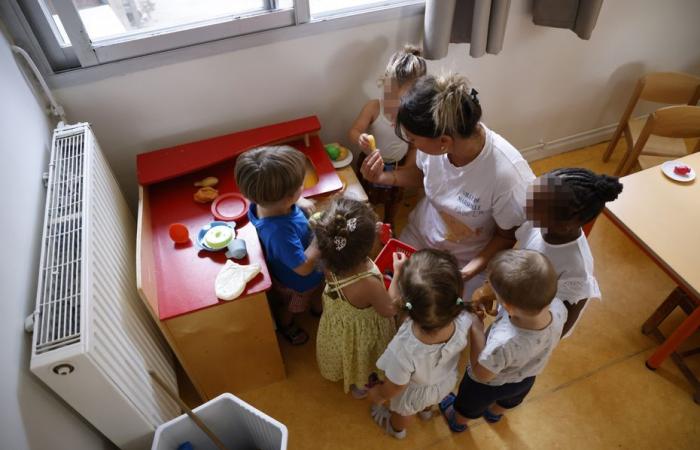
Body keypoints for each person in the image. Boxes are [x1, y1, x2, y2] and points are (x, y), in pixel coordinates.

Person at [360, 73, 535, 299]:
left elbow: (506, 237)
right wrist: (383, 178)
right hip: (421, 234)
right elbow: (421, 174)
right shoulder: (435, 146)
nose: (412, 145)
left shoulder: (507, 177)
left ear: (444, 142)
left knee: (439, 318)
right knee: (389, 291)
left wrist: (467, 272)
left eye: (413, 140)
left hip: (467, 261)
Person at [439, 249, 567, 432]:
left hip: (490, 384)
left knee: (469, 404)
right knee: (509, 400)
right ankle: (495, 413)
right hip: (526, 376)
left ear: (507, 307)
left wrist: (476, 329)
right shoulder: (558, 307)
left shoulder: (504, 343)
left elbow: (481, 374)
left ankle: (458, 420)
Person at [367, 249, 475, 439]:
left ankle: (397, 429)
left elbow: (396, 386)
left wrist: (380, 394)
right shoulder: (464, 319)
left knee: (403, 414)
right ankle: (426, 411)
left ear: (404, 302)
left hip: (413, 392)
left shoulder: (403, 349)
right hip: (444, 381)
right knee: (427, 401)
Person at [518, 168, 622, 336]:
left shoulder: (576, 266)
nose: (525, 205)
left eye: (534, 205)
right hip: (517, 304)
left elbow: (566, 319)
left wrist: (540, 343)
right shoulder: (539, 224)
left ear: (565, 224)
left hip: (534, 330)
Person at [235, 145, 323, 345]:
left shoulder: (263, 202)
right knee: (292, 307)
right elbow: (302, 268)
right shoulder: (279, 232)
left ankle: (318, 308)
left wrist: (297, 202)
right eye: (300, 186)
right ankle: (286, 325)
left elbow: (278, 201)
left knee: (316, 291)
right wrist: (318, 240)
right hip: (298, 283)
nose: (303, 188)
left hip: (305, 272)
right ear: (287, 197)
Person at [312, 197, 397, 398]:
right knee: (362, 358)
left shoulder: (330, 257)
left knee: (346, 353)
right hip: (363, 333)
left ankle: (352, 378)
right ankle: (362, 384)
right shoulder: (368, 283)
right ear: (368, 247)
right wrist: (399, 273)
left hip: (339, 324)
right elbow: (389, 309)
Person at [349, 44, 427, 225]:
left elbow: (414, 145)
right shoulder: (374, 108)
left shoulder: (411, 118)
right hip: (371, 162)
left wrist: (407, 167)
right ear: (383, 82)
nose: (392, 103)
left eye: (399, 100)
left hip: (397, 167)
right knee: (366, 198)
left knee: (394, 200)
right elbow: (353, 131)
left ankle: (390, 223)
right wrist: (359, 138)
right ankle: (366, 223)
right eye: (388, 94)